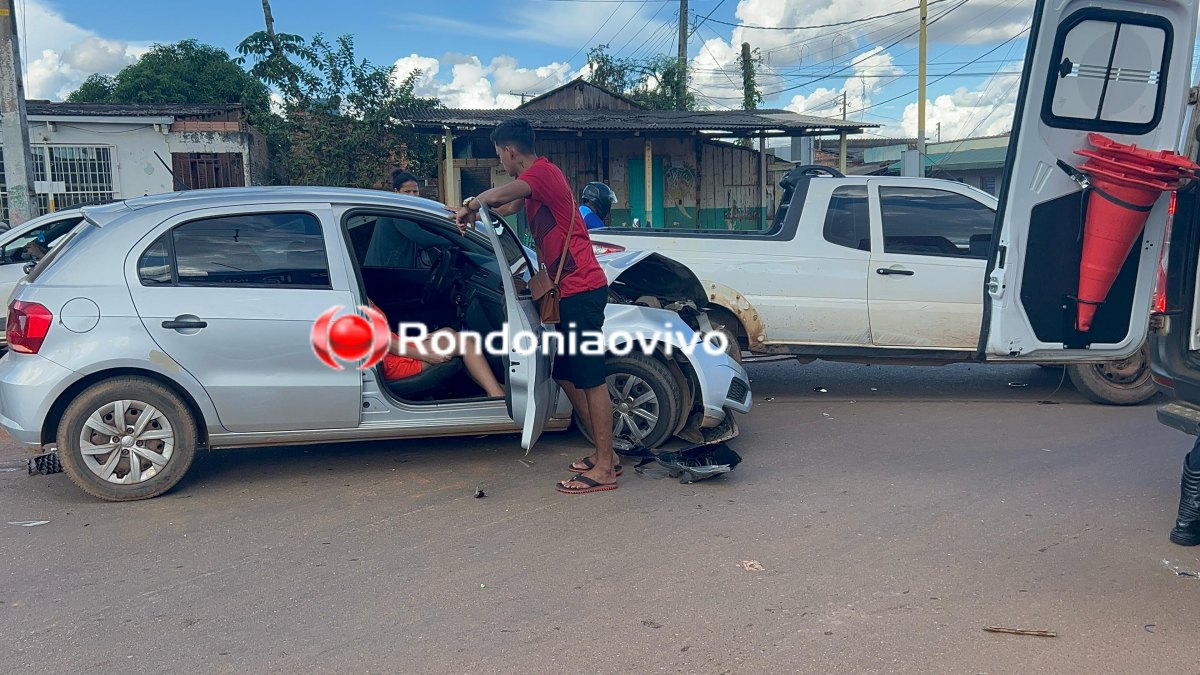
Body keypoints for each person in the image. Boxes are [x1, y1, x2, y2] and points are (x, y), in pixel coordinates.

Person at [454, 117, 618, 495]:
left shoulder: (543, 173)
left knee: (591, 379)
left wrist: (474, 202)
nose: (501, 163)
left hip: (581, 290)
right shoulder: (535, 185)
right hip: (569, 292)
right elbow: (507, 206)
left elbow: (499, 195)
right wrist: (472, 212)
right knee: (565, 373)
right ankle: (605, 454)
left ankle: (606, 467)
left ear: (511, 151)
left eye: (500, 156)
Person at [369, 300, 505, 398]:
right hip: (393, 362)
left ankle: (493, 386)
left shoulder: (360, 294)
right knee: (464, 341)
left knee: (448, 331)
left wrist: (411, 340)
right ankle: (496, 395)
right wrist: (426, 356)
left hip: (395, 349)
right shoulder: (357, 301)